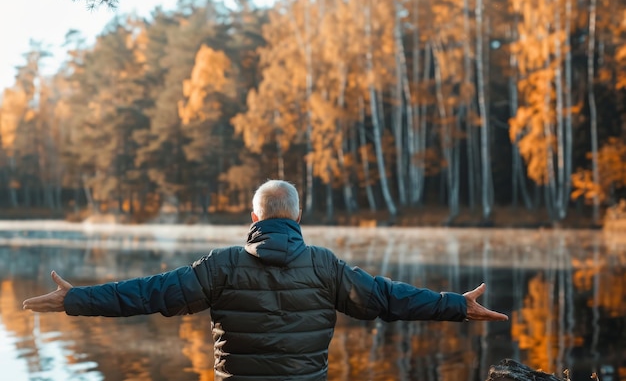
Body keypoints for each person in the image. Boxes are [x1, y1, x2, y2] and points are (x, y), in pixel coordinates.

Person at [23, 179, 508, 381]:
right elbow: (386, 299)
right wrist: (454, 305)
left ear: (253, 216)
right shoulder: (325, 266)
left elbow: (148, 294)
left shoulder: (222, 265)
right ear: (298, 216)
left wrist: (75, 300)